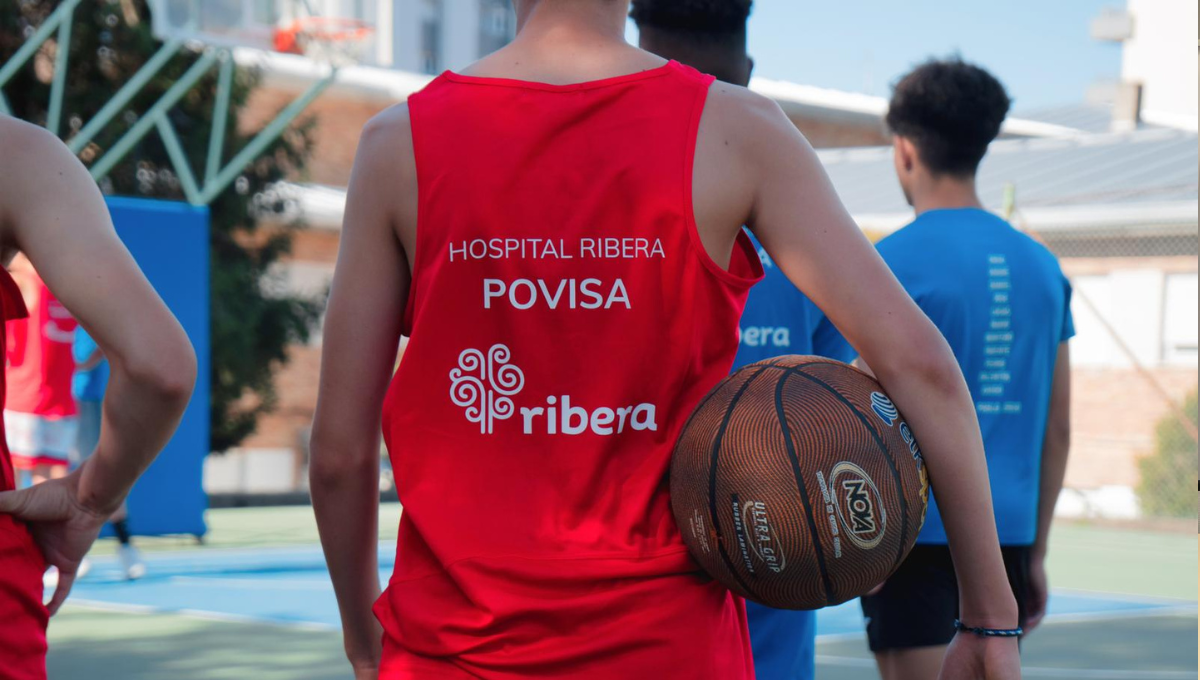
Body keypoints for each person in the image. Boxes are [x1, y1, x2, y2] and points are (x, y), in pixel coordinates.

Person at [310, 2, 1022, 679]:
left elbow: (340, 455)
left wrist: (361, 636)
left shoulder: (396, 145)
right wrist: (989, 616)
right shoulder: (738, 132)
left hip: (446, 649)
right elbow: (919, 365)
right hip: (669, 648)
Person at [633, 2, 847, 678]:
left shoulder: (586, 231)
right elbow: (848, 408)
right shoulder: (808, 236)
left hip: (626, 610)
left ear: (638, 56)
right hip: (776, 572)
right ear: (748, 70)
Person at [842, 59, 1073, 680]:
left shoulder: (882, 264)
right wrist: (1038, 553)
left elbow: (850, 419)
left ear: (905, 151)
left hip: (911, 539)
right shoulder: (1043, 268)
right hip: (1010, 537)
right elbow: (1058, 429)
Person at [0, 115, 197, 679]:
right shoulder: (21, 160)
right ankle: (120, 538)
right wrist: (90, 500)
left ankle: (126, 544)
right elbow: (160, 368)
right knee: (46, 482)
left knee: (41, 475)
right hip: (35, 404)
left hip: (57, 399)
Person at [73, 327, 146, 580]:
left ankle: (126, 547)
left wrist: (77, 366)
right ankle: (73, 553)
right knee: (53, 475)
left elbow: (108, 342)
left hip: (84, 401)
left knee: (100, 477)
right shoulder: (41, 308)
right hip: (47, 402)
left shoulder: (85, 308)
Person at [5, 256, 79, 487]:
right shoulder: (69, 285)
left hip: (21, 399)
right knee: (49, 479)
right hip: (59, 400)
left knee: (10, 483)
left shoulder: (19, 283)